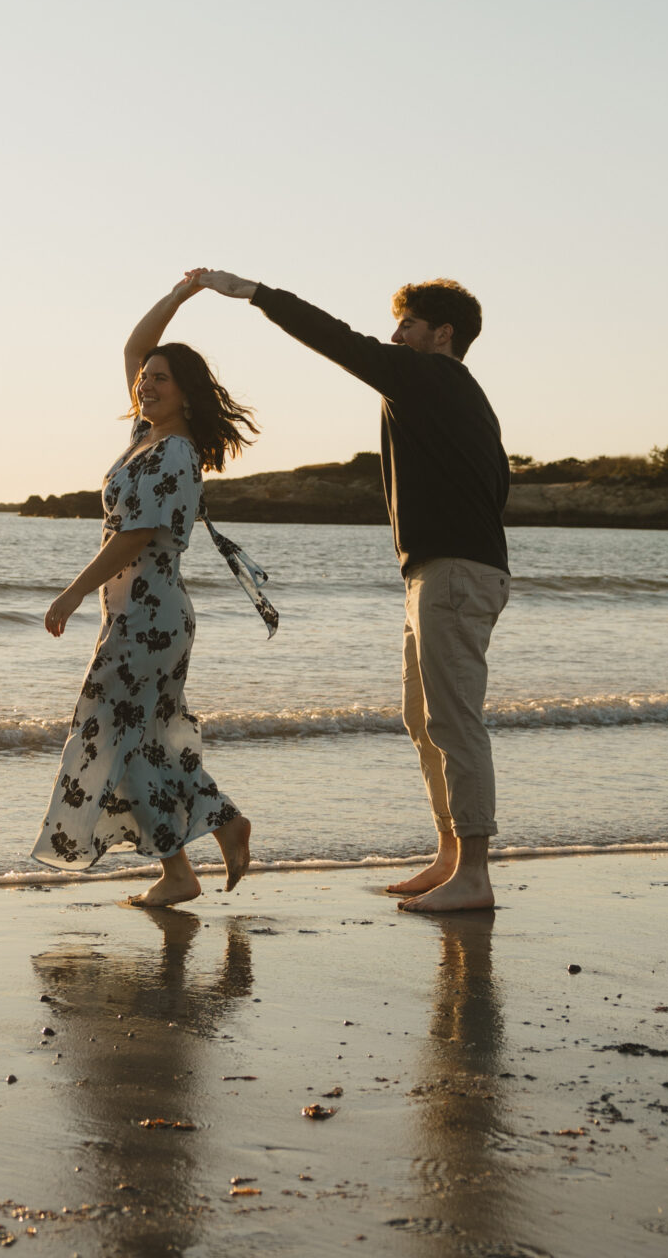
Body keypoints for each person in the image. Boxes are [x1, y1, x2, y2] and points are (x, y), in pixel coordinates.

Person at [189, 268, 509, 914]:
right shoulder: (450, 393)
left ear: (441, 334)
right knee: (422, 722)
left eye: (408, 326)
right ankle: (449, 858)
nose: (395, 336)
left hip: (452, 572)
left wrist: (254, 293)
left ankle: (474, 872)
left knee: (451, 722)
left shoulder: (428, 378)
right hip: (438, 570)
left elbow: (336, 339)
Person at [33, 273, 277, 908]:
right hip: (142, 614)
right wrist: (179, 298)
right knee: (138, 736)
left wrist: (71, 594)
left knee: (115, 734)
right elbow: (132, 350)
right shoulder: (145, 435)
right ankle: (217, 828)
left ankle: (183, 865)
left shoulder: (172, 451)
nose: (146, 382)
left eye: (161, 379)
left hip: (150, 614)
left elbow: (135, 536)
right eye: (147, 378)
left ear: (187, 396)